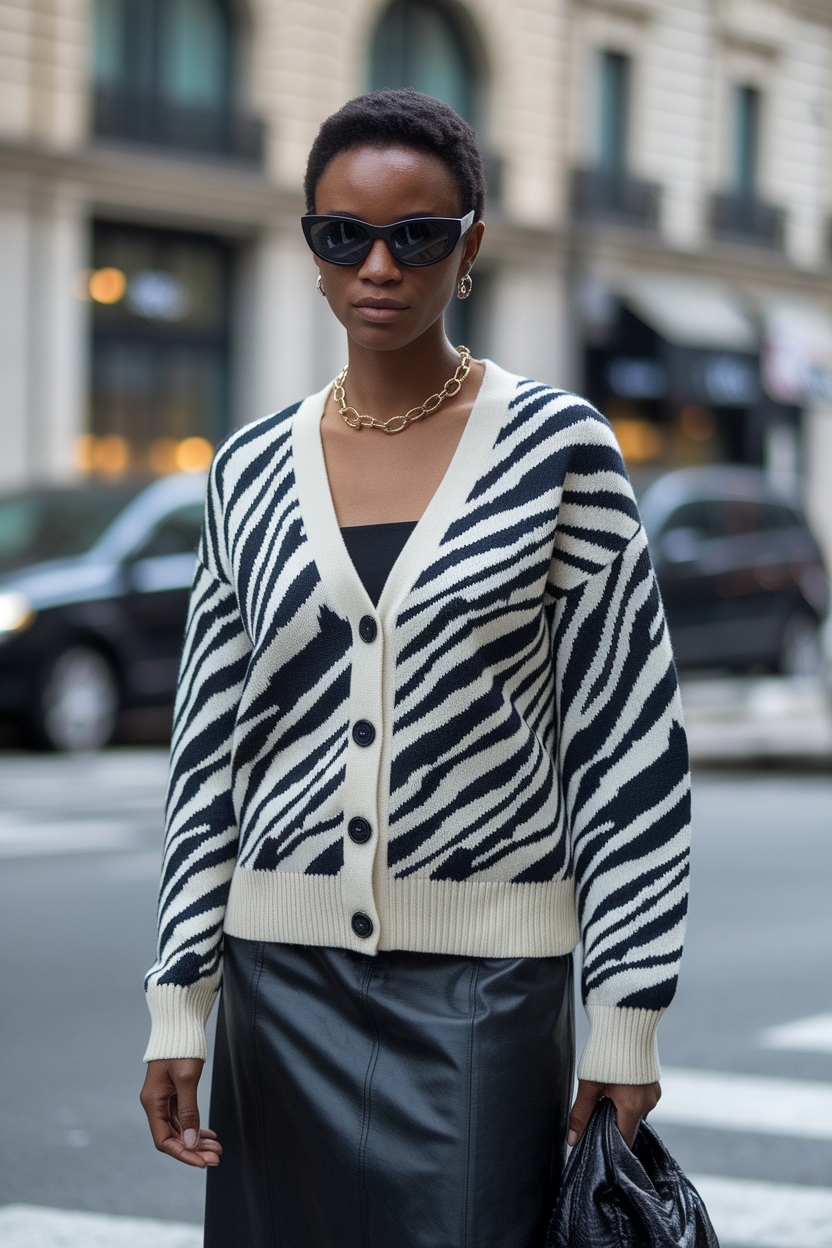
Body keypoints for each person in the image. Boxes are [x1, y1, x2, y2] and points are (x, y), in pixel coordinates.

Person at [140, 88, 691, 1248]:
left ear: (471, 245)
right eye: (344, 235)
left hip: (490, 991)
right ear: (312, 248)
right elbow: (208, 754)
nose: (377, 265)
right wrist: (178, 1002)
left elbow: (626, 746)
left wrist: (625, 1018)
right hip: (276, 985)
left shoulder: (560, 452)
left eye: (417, 235)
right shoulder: (245, 469)